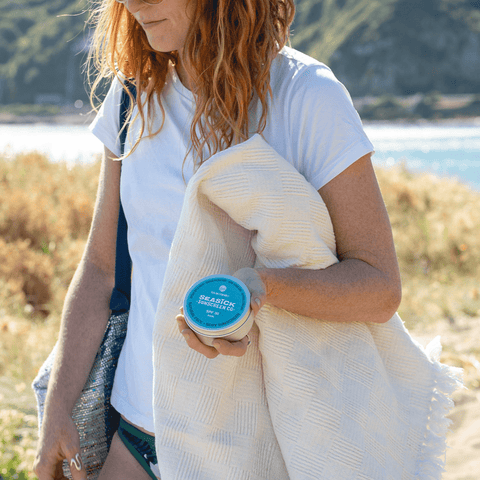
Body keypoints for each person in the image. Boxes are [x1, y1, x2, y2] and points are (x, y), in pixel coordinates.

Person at [33, 0, 401, 478]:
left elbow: (379, 287)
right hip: (140, 435)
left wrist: (258, 288)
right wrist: (59, 408)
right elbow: (102, 270)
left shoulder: (306, 96)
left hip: (254, 448)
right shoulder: (131, 97)